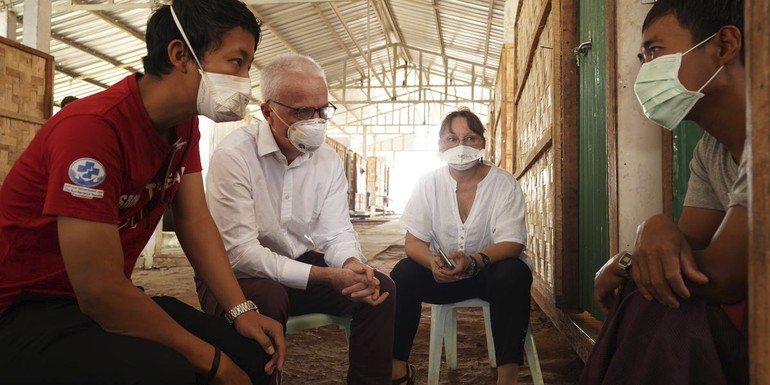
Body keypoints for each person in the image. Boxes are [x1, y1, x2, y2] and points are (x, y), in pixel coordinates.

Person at [0, 1, 286, 384]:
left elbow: (194, 220)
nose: (246, 79)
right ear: (180, 54)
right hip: (24, 309)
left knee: (253, 355)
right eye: (237, 62)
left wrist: (241, 309)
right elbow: (100, 291)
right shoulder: (92, 130)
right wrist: (216, 364)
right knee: (170, 371)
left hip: (92, 305)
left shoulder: (184, 128)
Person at [197, 53, 396, 385]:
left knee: (378, 288)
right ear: (267, 112)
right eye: (303, 111)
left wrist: (350, 264)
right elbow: (241, 254)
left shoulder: (327, 161)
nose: (316, 120)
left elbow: (335, 231)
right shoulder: (234, 157)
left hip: (295, 264)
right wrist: (323, 275)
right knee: (268, 299)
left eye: (323, 109)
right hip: (232, 276)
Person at [580, 0, 748, 383]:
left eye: (655, 51)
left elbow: (722, 275)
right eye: (643, 57)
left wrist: (652, 233)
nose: (645, 71)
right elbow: (686, 243)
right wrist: (633, 254)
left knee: (663, 309)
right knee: (648, 298)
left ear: (724, 45)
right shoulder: (712, 150)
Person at [390, 108, 532, 385]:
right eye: (451, 139)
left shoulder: (503, 183)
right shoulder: (428, 183)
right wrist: (432, 263)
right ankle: (398, 372)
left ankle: (507, 378)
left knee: (514, 273)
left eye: (470, 138)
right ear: (440, 146)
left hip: (488, 276)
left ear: (483, 143)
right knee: (403, 273)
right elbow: (413, 242)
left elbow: (512, 242)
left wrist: (474, 261)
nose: (461, 146)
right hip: (441, 277)